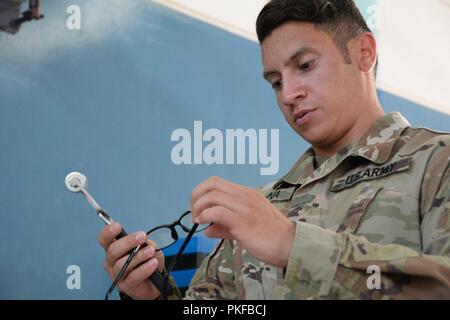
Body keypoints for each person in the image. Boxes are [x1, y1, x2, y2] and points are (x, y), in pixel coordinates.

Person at [97, 0, 450, 299]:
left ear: (364, 53)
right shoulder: (262, 207)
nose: (288, 93)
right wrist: (153, 293)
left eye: (305, 66)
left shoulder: (437, 161)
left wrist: (292, 244)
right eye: (276, 82)